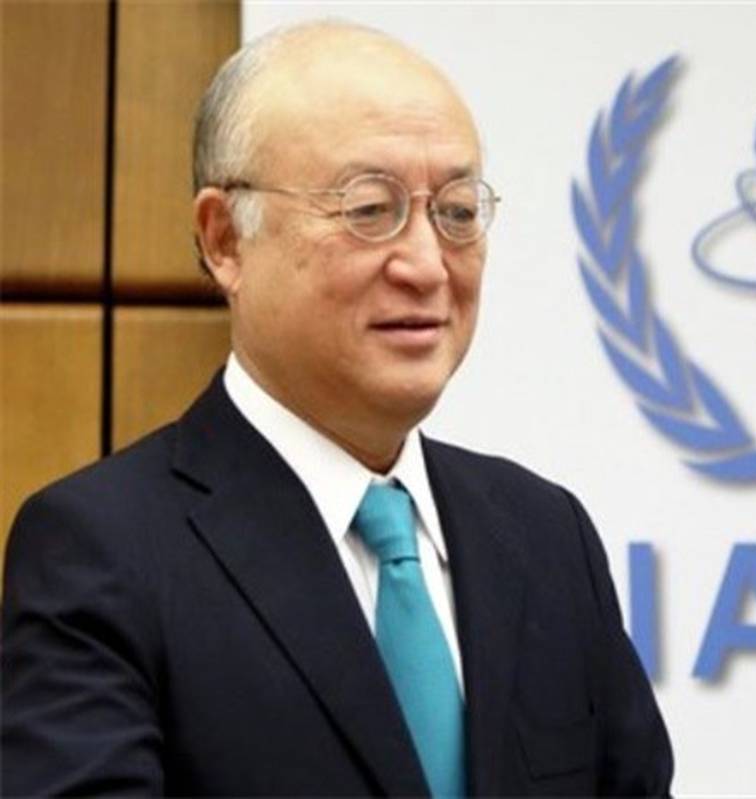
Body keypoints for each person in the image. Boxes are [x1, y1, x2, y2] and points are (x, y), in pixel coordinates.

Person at [1, 21, 673, 797]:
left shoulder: (547, 536)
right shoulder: (102, 550)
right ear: (225, 241)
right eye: (369, 209)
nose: (426, 265)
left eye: (457, 212)